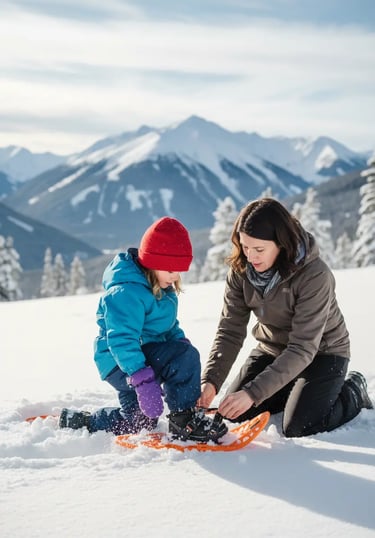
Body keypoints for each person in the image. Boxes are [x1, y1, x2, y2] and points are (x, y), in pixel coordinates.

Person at [198, 198, 373, 438]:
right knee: (234, 413)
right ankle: (292, 388)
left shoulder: (314, 275)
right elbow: (230, 330)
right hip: (274, 348)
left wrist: (253, 393)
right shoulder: (241, 270)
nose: (250, 256)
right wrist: (211, 381)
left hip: (323, 352)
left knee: (300, 426)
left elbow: (302, 348)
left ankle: (353, 390)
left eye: (259, 249)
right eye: (245, 247)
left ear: (281, 244)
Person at [59, 217, 228, 443]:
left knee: (139, 422)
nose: (175, 276)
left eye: (179, 271)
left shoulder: (162, 287)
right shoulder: (126, 293)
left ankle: (85, 421)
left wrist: (179, 343)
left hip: (141, 357)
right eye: (170, 270)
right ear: (151, 262)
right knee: (185, 356)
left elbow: (167, 327)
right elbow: (121, 339)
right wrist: (142, 379)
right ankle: (184, 421)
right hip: (121, 362)